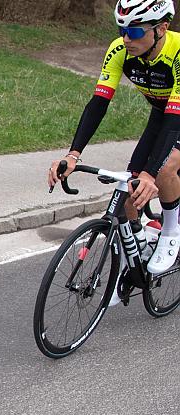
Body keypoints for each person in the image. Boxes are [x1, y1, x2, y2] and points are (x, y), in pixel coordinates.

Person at [48, 0, 180, 274]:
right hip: (161, 112)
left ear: (162, 28)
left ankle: (171, 232)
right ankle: (135, 260)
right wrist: (73, 154)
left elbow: (174, 120)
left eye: (134, 32)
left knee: (163, 170)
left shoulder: (177, 52)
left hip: (175, 115)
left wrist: (150, 172)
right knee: (131, 187)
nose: (125, 38)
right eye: (121, 29)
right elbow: (98, 103)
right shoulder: (120, 49)